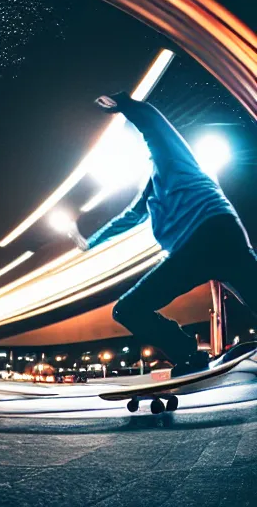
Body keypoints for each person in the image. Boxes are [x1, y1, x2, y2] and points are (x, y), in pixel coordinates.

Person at [76, 91, 257, 376]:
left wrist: (125, 103)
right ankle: (188, 355)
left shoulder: (171, 158)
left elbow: (155, 128)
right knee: (128, 310)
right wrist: (92, 242)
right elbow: (128, 218)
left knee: (129, 309)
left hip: (204, 237)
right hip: (218, 239)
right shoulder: (150, 192)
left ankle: (187, 353)